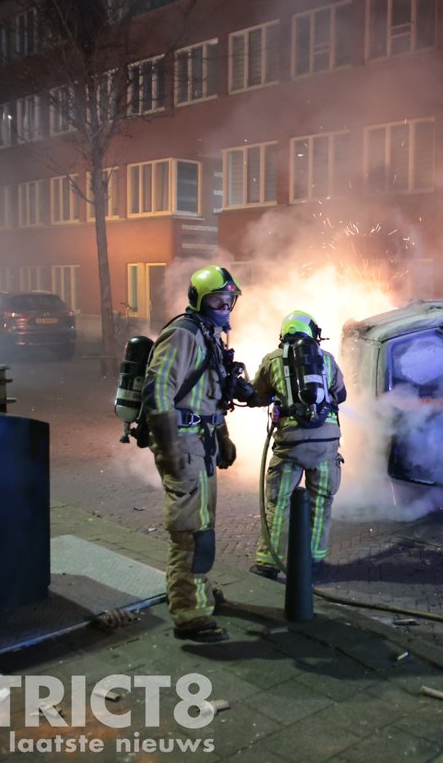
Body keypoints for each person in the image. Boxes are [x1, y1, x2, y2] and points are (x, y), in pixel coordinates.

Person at [143, 265, 243, 643]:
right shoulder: (183, 335)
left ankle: (196, 590)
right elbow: (158, 393)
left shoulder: (210, 336)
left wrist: (223, 435)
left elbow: (209, 395)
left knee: (202, 524)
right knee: (190, 531)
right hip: (182, 445)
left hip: (201, 443)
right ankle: (190, 614)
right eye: (218, 298)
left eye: (230, 299)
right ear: (199, 299)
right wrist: (168, 451)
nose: (225, 305)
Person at [249, 310, 346, 580]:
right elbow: (341, 395)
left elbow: (256, 396)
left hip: (290, 444)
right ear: (312, 333)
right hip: (326, 444)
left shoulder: (272, 360)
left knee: (278, 503)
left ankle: (268, 563)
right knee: (321, 502)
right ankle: (314, 561)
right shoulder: (326, 360)